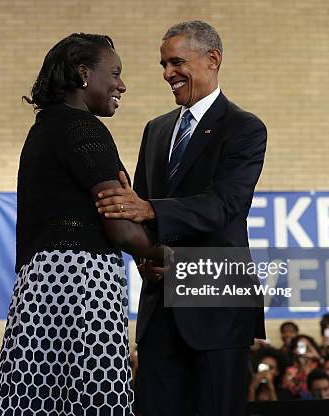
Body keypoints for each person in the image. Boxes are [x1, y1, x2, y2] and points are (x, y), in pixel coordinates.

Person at [0, 33, 166, 415]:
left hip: (39, 288)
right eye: (114, 73)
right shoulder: (84, 129)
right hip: (83, 282)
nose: (122, 84)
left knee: (37, 398)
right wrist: (160, 251)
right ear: (84, 74)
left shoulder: (43, 129)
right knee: (97, 397)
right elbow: (120, 226)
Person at [95, 21, 267, 416]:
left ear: (212, 59)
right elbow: (136, 205)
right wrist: (144, 257)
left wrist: (152, 209)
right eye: (163, 64)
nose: (167, 73)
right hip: (160, 308)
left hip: (217, 300)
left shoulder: (244, 127)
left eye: (176, 62)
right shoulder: (156, 130)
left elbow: (226, 204)